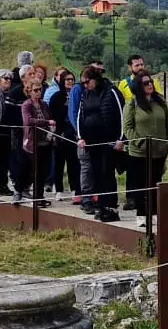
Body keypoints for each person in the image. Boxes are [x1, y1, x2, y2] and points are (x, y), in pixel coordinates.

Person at [123, 72, 168, 218]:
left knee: (156, 182)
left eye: (150, 81)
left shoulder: (160, 101)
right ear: (139, 86)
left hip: (159, 152)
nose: (150, 85)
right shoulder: (132, 104)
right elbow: (127, 128)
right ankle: (141, 215)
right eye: (145, 83)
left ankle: (154, 212)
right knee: (140, 185)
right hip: (139, 153)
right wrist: (140, 143)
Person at [77, 66, 124, 222]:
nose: (85, 85)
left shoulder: (112, 92)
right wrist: (80, 137)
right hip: (92, 141)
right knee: (96, 173)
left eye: (86, 82)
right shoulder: (86, 94)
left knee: (107, 172)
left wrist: (120, 138)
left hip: (108, 139)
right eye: (82, 83)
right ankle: (101, 205)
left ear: (94, 79)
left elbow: (121, 114)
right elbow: (80, 116)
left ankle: (110, 207)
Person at [69, 60, 104, 208]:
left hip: (97, 135)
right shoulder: (78, 90)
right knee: (85, 166)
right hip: (83, 135)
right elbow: (74, 112)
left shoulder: (101, 90)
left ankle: (95, 195)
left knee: (95, 166)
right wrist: (79, 134)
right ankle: (86, 196)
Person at [18, 78, 56, 207]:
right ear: (29, 91)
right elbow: (28, 121)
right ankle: (28, 193)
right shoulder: (26, 105)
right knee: (34, 171)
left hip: (45, 142)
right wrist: (46, 123)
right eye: (36, 90)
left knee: (43, 172)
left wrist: (50, 125)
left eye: (40, 90)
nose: (38, 92)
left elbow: (50, 117)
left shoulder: (44, 104)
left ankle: (40, 196)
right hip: (33, 143)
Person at [50, 69, 80, 201]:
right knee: (59, 163)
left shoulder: (78, 95)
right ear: (62, 81)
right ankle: (59, 189)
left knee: (74, 163)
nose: (70, 82)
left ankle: (75, 189)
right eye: (67, 80)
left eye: (72, 80)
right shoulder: (56, 97)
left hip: (73, 134)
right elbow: (53, 115)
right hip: (60, 133)